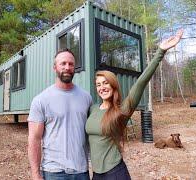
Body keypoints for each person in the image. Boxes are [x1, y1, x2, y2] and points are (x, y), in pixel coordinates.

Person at [85, 29, 184, 180]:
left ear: (113, 85)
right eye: (98, 85)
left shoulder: (121, 110)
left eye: (105, 83)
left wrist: (160, 51)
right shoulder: (92, 109)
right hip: (96, 174)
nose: (102, 87)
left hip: (115, 173)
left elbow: (140, 83)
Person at [27, 49, 92, 180]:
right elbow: (34, 138)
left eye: (71, 64)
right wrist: (35, 173)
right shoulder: (41, 100)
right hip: (54, 172)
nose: (67, 67)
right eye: (63, 63)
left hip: (81, 171)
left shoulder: (86, 98)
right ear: (54, 67)